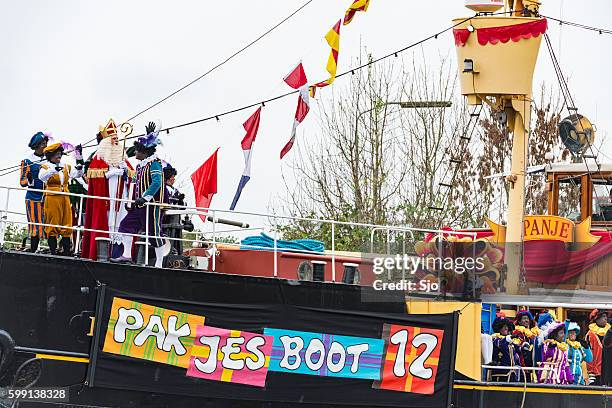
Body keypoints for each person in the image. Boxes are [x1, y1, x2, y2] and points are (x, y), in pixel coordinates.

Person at [111, 122, 170, 267]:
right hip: (139, 205)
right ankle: (126, 255)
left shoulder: (154, 164)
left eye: (137, 151)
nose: (135, 153)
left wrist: (145, 197)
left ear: (144, 152)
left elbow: (156, 182)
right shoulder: (141, 165)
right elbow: (135, 183)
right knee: (126, 225)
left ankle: (159, 262)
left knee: (153, 233)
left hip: (151, 205)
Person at [81, 119, 133, 260]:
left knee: (120, 223)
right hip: (106, 199)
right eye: (113, 140)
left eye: (117, 140)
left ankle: (120, 253)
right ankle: (103, 253)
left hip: (121, 198)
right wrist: (109, 174)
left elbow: (133, 179)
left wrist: (125, 170)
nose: (115, 143)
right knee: (107, 223)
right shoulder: (98, 159)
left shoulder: (123, 159)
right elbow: (94, 181)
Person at [38, 143, 84, 255]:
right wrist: (53, 170)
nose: (59, 156)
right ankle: (53, 252)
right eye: (56, 154)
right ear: (50, 156)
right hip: (52, 197)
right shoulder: (45, 167)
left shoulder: (66, 166)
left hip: (65, 197)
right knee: (53, 224)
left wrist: (79, 164)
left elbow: (78, 175)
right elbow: (41, 177)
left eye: (60, 154)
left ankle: (67, 252)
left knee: (66, 223)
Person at [19, 132, 48, 252]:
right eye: (42, 143)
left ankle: (52, 250)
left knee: (51, 225)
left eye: (46, 142)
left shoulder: (49, 158)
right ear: (37, 146)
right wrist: (30, 180)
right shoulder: (28, 161)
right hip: (33, 197)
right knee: (35, 226)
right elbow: (22, 182)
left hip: (48, 197)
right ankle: (33, 250)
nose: (45, 145)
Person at [162, 164, 194, 255]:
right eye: (172, 177)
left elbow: (184, 206)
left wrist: (180, 200)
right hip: (165, 219)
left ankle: (175, 250)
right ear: (168, 177)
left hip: (175, 219)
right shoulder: (163, 189)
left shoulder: (175, 190)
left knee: (176, 236)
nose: (174, 179)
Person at [538, 320, 573, 384]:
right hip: (550, 378)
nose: (563, 335)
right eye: (561, 333)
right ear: (555, 335)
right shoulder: (548, 344)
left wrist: (570, 378)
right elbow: (546, 358)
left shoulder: (563, 347)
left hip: (562, 379)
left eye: (564, 333)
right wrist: (551, 348)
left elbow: (565, 364)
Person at [490, 317, 522, 382]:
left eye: (507, 326)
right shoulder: (495, 339)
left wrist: (524, 347)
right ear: (499, 328)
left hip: (513, 373)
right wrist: (509, 338)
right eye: (503, 326)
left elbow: (518, 351)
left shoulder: (511, 341)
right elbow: (501, 344)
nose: (506, 328)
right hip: (501, 374)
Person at [513, 310, 540, 381]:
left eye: (527, 318)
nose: (526, 320)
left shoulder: (532, 333)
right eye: (524, 318)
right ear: (519, 321)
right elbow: (516, 345)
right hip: (522, 362)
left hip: (532, 361)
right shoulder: (517, 332)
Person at [586, 309, 610, 385]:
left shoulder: (610, 332)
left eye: (606, 316)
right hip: (596, 372)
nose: (606, 318)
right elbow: (588, 354)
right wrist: (590, 373)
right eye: (603, 316)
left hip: (609, 370)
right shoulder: (590, 335)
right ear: (596, 319)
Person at [565, 320, 592, 385]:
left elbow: (589, 359)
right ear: (567, 334)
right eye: (570, 332)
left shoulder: (578, 346)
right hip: (568, 375)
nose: (573, 334)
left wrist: (586, 348)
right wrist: (567, 323)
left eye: (574, 333)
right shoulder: (564, 345)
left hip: (579, 376)